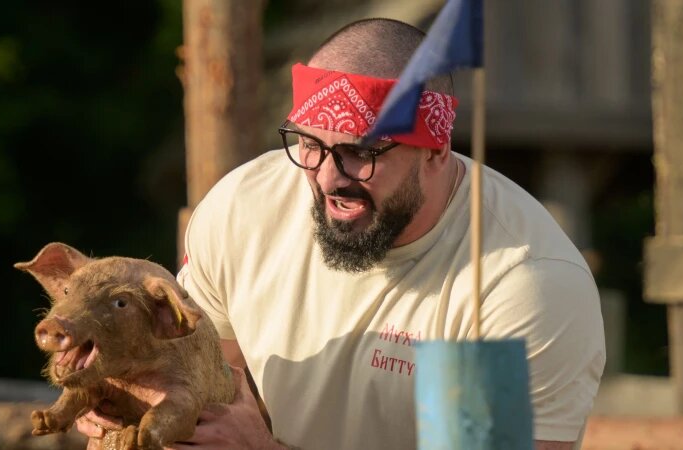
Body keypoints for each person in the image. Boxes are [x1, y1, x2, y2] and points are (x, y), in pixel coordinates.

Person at [78, 18, 605, 450]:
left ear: (434, 151)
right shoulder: (246, 209)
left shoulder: (511, 281)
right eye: (309, 144)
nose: (328, 178)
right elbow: (203, 386)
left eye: (360, 152)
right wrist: (131, 394)